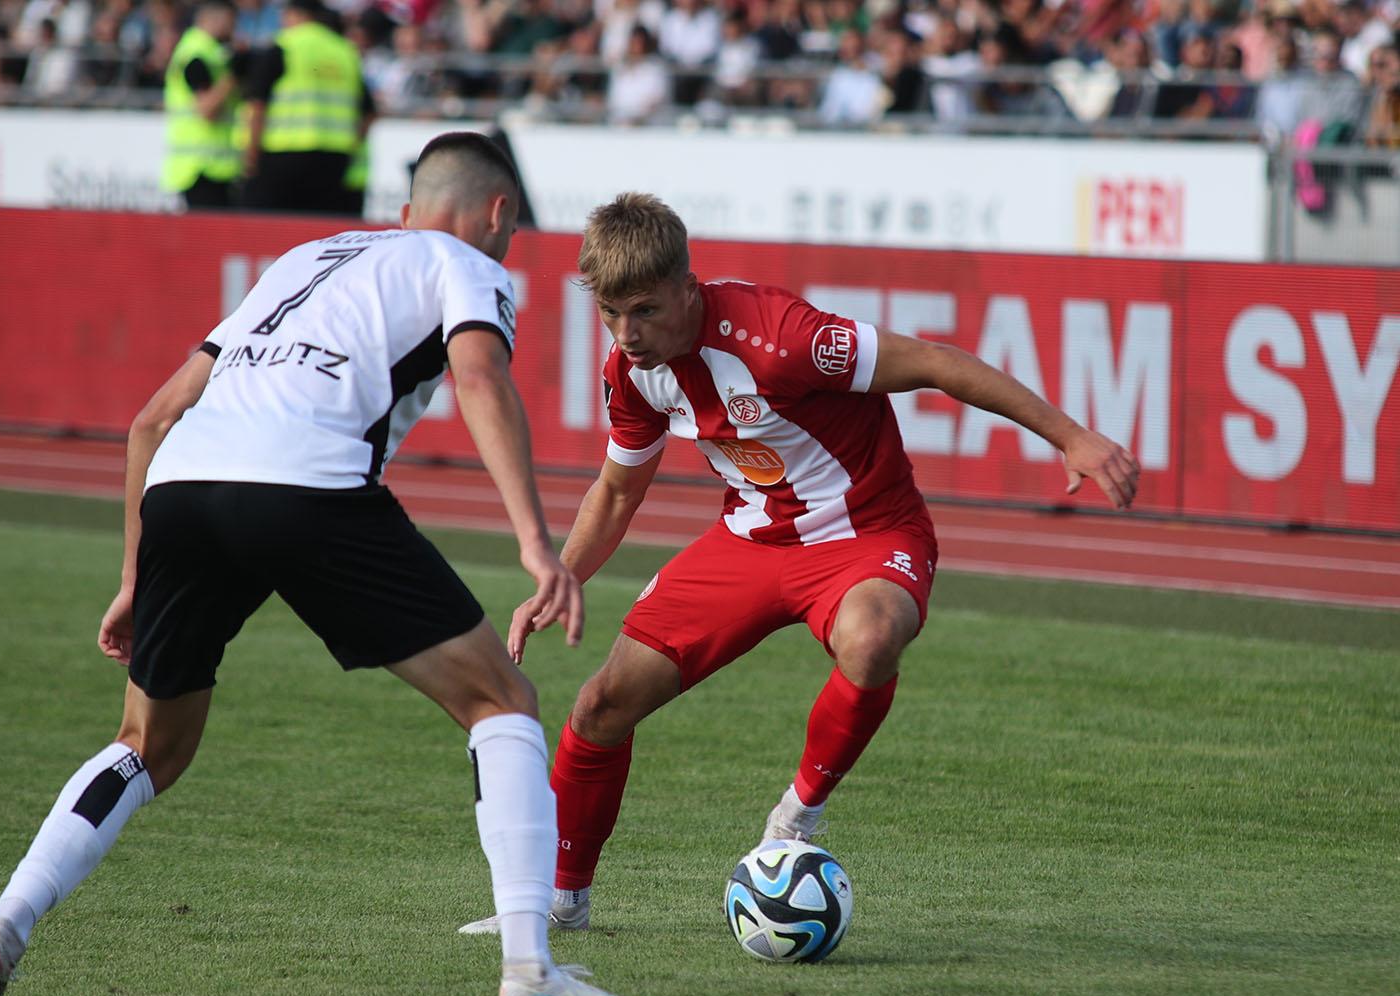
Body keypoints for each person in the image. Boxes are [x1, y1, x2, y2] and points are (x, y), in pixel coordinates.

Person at [0, 133, 655, 996]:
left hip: (183, 492)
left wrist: (134, 577)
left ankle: (0, 930)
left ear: (404, 209)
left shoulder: (301, 260)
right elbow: (478, 374)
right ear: (498, 215)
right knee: (501, 699)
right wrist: (536, 544)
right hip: (310, 487)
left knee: (146, 745)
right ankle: (531, 972)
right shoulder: (464, 262)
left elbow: (150, 420)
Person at [460, 193, 1139, 935]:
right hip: (751, 543)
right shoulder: (634, 372)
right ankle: (559, 906)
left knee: (873, 638)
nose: (627, 335)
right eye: (611, 314)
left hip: (870, 535)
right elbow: (619, 490)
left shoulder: (787, 338)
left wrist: (1070, 435)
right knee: (600, 706)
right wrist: (563, 575)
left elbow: (940, 364)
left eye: (645, 312)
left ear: (689, 289)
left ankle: (793, 821)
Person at [238, 0, 371, 214]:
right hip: (334, 157)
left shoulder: (283, 45)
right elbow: (368, 111)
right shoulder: (345, 51)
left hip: (282, 154)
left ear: (295, 14)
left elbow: (257, 104)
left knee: (267, 228)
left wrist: (250, 153)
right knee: (320, 230)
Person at [162, 0, 242, 210]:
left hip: (211, 165)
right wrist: (233, 78)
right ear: (214, 19)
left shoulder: (208, 51)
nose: (234, 28)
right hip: (202, 167)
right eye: (231, 22)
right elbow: (206, 109)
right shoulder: (197, 54)